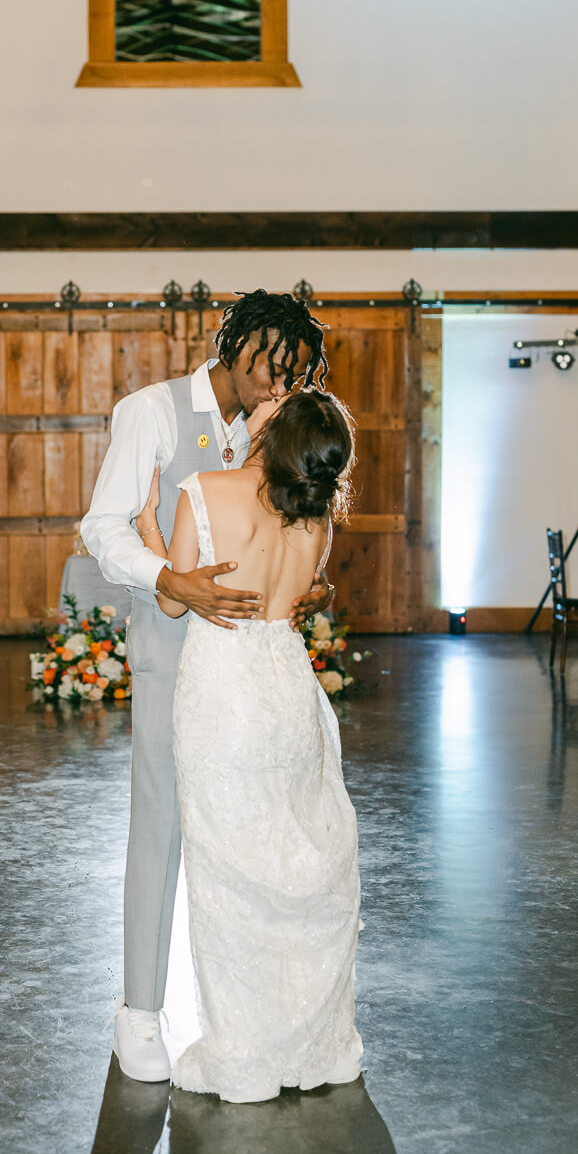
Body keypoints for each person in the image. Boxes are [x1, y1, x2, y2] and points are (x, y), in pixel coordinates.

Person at [80, 290, 334, 1081]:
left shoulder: (277, 427)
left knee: (259, 831)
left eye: (294, 371)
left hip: (248, 664)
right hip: (172, 650)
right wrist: (172, 580)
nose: (278, 382)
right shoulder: (150, 412)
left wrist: (304, 586)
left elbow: (290, 522)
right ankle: (139, 1013)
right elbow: (102, 526)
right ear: (233, 344)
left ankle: (254, 1006)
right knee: (161, 829)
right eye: (270, 362)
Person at [135, 387, 365, 1103]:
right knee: (294, 862)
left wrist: (145, 525)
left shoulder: (201, 491)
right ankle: (312, 1042)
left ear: (275, 432)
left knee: (227, 873)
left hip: (222, 697)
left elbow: (174, 599)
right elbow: (299, 592)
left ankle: (243, 1055)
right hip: (288, 692)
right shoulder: (316, 518)